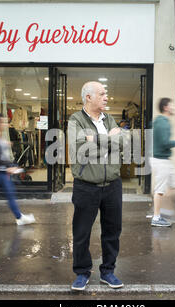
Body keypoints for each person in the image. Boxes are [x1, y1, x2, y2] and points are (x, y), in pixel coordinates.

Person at [67, 81, 125, 291]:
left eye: (105, 94)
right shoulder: (76, 120)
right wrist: (108, 139)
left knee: (112, 230)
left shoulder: (109, 118)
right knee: (81, 232)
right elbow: (82, 149)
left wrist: (96, 139)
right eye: (102, 94)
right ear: (88, 97)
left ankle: (108, 272)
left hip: (112, 184)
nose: (106, 97)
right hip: (86, 185)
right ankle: (82, 272)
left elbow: (124, 143)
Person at [151, 98, 175, 227]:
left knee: (174, 185)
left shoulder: (162, 121)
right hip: (160, 159)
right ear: (166, 107)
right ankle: (156, 217)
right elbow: (164, 143)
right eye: (172, 106)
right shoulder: (163, 123)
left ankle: (162, 210)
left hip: (164, 159)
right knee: (160, 190)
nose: (174, 108)